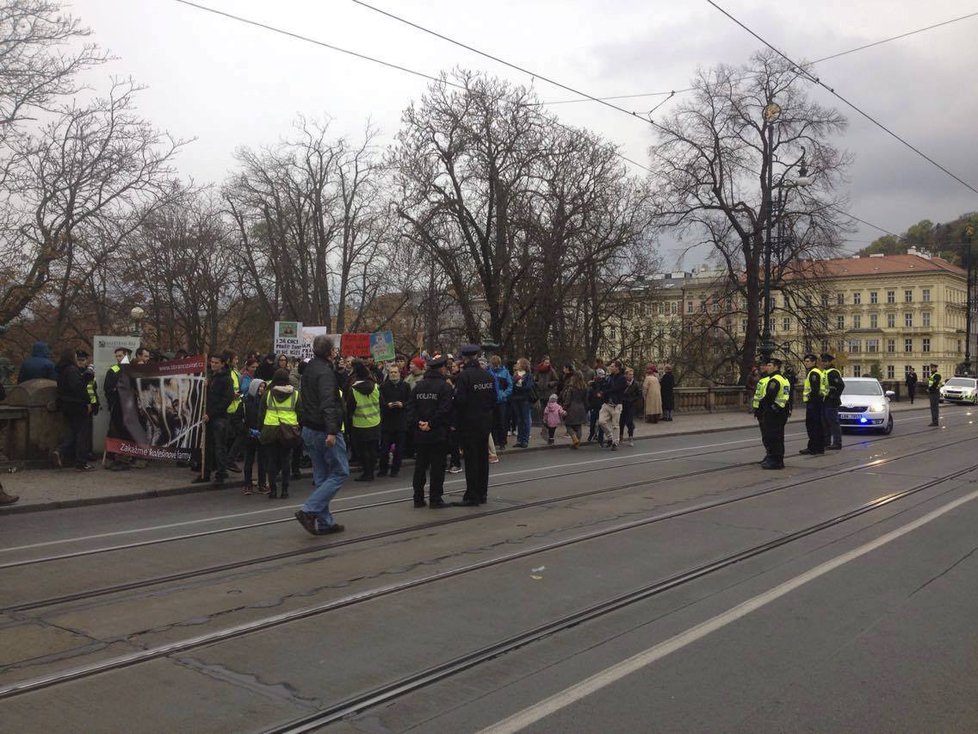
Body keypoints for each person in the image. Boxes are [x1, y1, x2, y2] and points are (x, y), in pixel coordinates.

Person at [295, 335, 347, 536]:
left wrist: (340, 372)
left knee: (322, 475)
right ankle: (309, 510)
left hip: (310, 428)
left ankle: (325, 522)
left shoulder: (310, 369)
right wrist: (332, 431)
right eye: (334, 350)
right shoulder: (325, 372)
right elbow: (328, 403)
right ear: (330, 352)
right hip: (324, 430)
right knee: (341, 472)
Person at [405, 354, 454, 508]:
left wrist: (419, 423)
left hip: (420, 434)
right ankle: (435, 498)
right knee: (437, 467)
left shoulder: (418, 386)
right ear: (441, 368)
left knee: (420, 466)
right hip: (437, 433)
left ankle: (418, 498)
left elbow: (410, 408)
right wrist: (431, 424)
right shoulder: (445, 387)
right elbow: (445, 409)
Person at [452, 344, 497, 506]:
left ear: (464, 358)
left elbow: (461, 401)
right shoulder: (488, 376)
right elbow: (494, 400)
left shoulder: (464, 377)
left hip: (469, 423)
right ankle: (482, 492)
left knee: (471, 459)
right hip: (485, 422)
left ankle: (472, 495)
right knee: (483, 458)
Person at [194, 353, 234, 486]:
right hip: (208, 417)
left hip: (219, 418)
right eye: (212, 362)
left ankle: (221, 473)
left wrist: (211, 414)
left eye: (216, 363)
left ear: (222, 364)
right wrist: (204, 386)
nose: (213, 364)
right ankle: (205, 472)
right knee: (206, 446)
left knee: (219, 446)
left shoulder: (227, 379)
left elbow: (226, 400)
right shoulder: (211, 376)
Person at [259, 368, 300, 499]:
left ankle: (273, 490)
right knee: (285, 460)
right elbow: (301, 413)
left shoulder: (268, 394)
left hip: (270, 429)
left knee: (271, 461)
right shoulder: (296, 395)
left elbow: (261, 414)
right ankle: (285, 490)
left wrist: (262, 429)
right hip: (288, 431)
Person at [52, 348, 95, 471]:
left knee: (71, 432)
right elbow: (79, 388)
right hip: (77, 405)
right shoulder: (72, 370)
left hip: (66, 405)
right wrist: (87, 401)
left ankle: (60, 450)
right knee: (82, 433)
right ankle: (81, 462)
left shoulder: (61, 371)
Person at [347, 361, 381, 482]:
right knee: (372, 449)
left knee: (363, 450)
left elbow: (350, 408)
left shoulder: (354, 390)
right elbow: (381, 403)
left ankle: (367, 472)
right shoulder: (376, 387)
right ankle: (371, 471)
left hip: (360, 424)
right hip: (375, 422)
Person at [755, 357, 791, 469]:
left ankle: (774, 460)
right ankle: (778, 459)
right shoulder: (784, 379)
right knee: (779, 437)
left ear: (776, 367)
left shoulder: (774, 380)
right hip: (781, 410)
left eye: (770, 365)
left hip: (774, 412)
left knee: (773, 437)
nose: (767, 367)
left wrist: (762, 405)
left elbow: (770, 396)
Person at [104, 346, 133, 471]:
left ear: (126, 355)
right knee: (115, 432)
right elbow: (108, 388)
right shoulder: (114, 370)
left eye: (120, 356)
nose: (118, 358)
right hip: (117, 406)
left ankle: (125, 459)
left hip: (130, 407)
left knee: (128, 433)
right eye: (117, 356)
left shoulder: (134, 369)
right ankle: (114, 458)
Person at [378, 363, 409, 478]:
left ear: (399, 373)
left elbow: (410, 401)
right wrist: (387, 405)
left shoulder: (405, 386)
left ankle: (395, 469)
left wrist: (403, 404)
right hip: (388, 422)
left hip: (401, 422)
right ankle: (383, 469)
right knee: (384, 448)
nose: (393, 374)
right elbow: (380, 403)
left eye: (395, 372)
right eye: (391, 372)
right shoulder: (384, 386)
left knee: (399, 449)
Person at [242, 378, 267, 494]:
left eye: (263, 387)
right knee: (249, 460)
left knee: (262, 460)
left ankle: (261, 483)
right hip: (249, 435)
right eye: (259, 387)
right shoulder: (246, 402)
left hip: (261, 434)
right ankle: (247, 484)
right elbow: (240, 420)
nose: (261, 389)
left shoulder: (265, 402)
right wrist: (248, 430)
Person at [798, 353, 825, 456]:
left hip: (814, 403)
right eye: (805, 361)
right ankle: (819, 447)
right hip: (818, 402)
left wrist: (810, 398)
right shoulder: (818, 371)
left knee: (812, 426)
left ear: (814, 362)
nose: (806, 363)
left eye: (808, 361)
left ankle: (813, 447)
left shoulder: (813, 373)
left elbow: (815, 389)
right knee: (818, 425)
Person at [597, 360, 627, 450]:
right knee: (601, 421)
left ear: (617, 368)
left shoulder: (622, 378)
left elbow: (616, 389)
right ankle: (610, 437)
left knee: (615, 425)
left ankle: (615, 443)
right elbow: (604, 386)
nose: (610, 367)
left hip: (616, 404)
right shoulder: (609, 377)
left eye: (612, 366)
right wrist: (599, 383)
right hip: (607, 403)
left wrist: (604, 392)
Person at [487, 354, 513, 451]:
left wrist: (503, 394)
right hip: (493, 400)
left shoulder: (505, 372)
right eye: (494, 365)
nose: (496, 366)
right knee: (492, 422)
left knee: (502, 421)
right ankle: (495, 440)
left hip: (502, 400)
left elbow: (510, 386)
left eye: (496, 364)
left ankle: (502, 441)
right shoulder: (489, 372)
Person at [819, 353, 845, 450]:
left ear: (829, 362)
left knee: (833, 422)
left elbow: (841, 385)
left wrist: (834, 395)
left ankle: (837, 443)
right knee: (825, 422)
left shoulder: (833, 372)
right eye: (822, 361)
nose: (823, 363)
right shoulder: (824, 372)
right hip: (825, 401)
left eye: (825, 361)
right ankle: (827, 442)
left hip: (831, 401)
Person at [510, 358, 535, 449]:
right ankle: (519, 440)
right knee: (519, 420)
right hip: (516, 399)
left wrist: (518, 387)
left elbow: (528, 387)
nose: (517, 365)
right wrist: (517, 383)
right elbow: (512, 384)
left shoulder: (529, 375)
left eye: (518, 363)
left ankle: (525, 440)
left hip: (525, 399)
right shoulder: (515, 374)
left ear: (523, 364)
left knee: (525, 420)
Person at [560, 371, 588, 448]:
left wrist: (564, 407)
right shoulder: (585, 387)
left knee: (568, 424)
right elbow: (586, 400)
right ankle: (577, 443)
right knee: (578, 426)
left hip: (572, 408)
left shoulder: (571, 387)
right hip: (581, 408)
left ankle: (574, 439)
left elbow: (568, 400)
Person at [535, 356, 558, 437]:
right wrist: (538, 384)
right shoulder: (539, 371)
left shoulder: (551, 370)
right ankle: (544, 428)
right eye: (546, 363)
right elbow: (536, 380)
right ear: (542, 363)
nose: (547, 364)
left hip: (549, 393)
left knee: (549, 412)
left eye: (548, 363)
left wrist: (550, 384)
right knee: (542, 412)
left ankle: (549, 428)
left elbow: (556, 380)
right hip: (541, 394)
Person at [620, 367, 642, 446]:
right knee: (621, 421)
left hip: (631, 404)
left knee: (629, 421)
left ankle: (630, 437)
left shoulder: (636, 384)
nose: (631, 376)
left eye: (632, 374)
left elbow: (639, 394)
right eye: (629, 375)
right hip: (622, 404)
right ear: (625, 375)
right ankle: (621, 437)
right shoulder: (622, 383)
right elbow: (619, 392)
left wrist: (633, 400)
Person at [586, 368, 606, 443]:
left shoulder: (604, 384)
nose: (601, 377)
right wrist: (589, 405)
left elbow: (605, 393)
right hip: (594, 405)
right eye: (599, 374)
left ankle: (600, 437)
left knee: (601, 422)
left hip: (602, 405)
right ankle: (592, 434)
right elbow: (590, 395)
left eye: (602, 375)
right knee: (592, 422)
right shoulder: (593, 384)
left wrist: (602, 395)